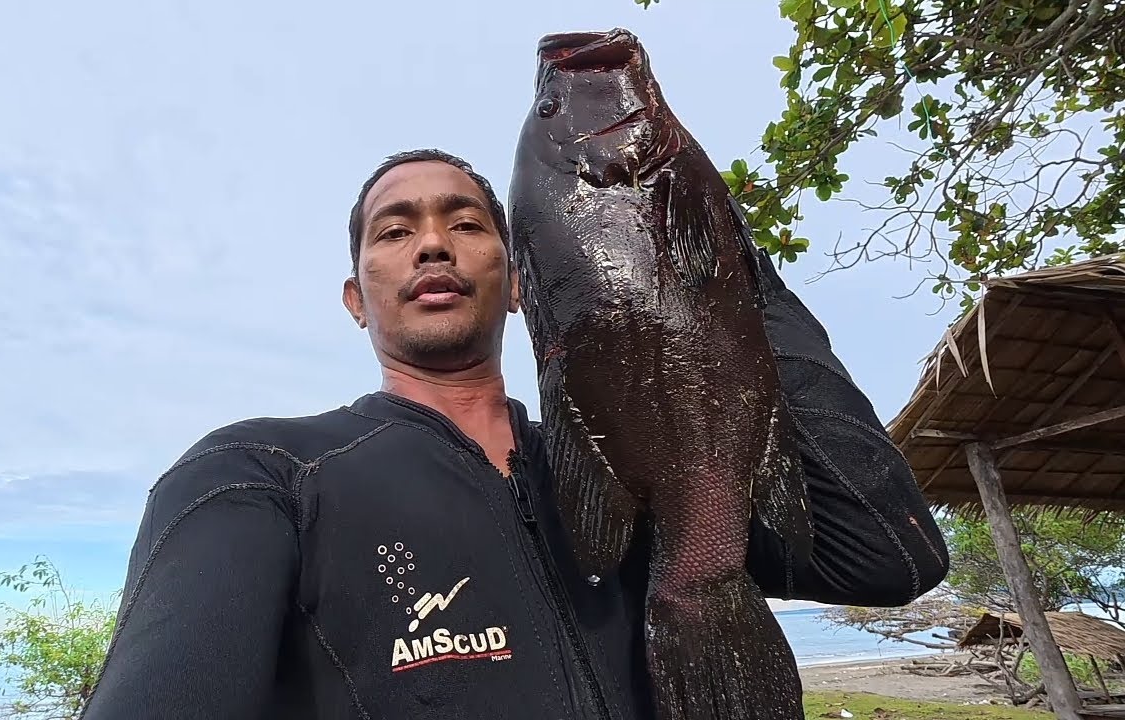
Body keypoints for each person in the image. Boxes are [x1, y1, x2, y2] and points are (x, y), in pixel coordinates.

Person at [79, 148, 949, 720]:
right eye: (395, 230)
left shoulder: (655, 470)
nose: (433, 246)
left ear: (523, 281)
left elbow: (887, 557)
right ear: (356, 298)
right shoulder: (260, 473)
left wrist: (731, 272)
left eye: (465, 223)